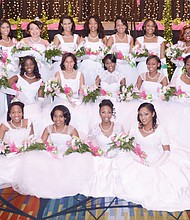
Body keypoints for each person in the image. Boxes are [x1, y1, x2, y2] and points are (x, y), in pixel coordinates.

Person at [113, 102, 190, 211]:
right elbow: (129, 145)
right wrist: (138, 158)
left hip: (156, 160)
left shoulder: (161, 129)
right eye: (140, 115)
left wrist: (155, 165)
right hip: (137, 159)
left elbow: (167, 151)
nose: (142, 118)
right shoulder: (135, 126)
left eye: (146, 114)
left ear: (153, 114)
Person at [8, 56, 44, 136]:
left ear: (35, 65)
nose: (29, 67)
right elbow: (5, 86)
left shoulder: (40, 81)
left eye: (31, 64)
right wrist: (16, 93)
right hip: (18, 104)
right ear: (23, 66)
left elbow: (41, 98)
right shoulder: (17, 77)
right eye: (26, 65)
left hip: (33, 105)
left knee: (37, 116)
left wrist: (36, 106)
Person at [107, 16, 138, 85]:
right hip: (116, 66)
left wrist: (129, 58)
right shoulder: (112, 38)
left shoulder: (130, 38)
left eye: (123, 25)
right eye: (118, 25)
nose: (121, 27)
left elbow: (131, 52)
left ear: (126, 26)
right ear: (115, 27)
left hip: (127, 65)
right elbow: (107, 54)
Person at [78, 15, 107, 86]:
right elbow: (78, 53)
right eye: (90, 23)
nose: (93, 25)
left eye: (95, 23)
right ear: (88, 25)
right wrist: (87, 56)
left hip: (98, 66)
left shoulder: (102, 37)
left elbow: (106, 52)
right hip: (86, 65)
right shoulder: (84, 37)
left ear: (98, 24)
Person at [0, 19, 19, 117]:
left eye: (7, 27)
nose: (6, 29)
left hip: (15, 70)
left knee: (15, 93)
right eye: (3, 27)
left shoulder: (14, 41)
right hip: (3, 71)